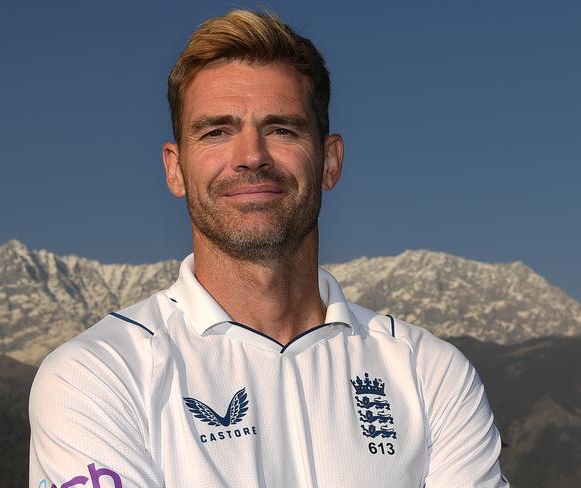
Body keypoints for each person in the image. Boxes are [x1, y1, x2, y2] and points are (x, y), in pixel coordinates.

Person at [29, 9, 509, 488]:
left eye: (282, 129)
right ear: (175, 169)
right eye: (217, 131)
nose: (252, 156)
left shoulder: (430, 375)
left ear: (329, 161)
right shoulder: (96, 376)